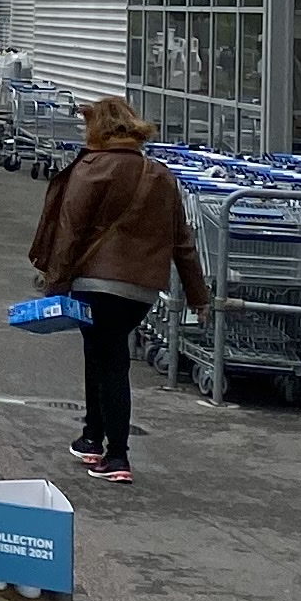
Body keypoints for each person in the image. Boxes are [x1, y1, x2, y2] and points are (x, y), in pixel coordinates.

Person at [27, 96, 206, 485]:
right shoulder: (159, 174)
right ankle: (92, 435)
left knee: (109, 361)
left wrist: (55, 284)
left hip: (96, 281)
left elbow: (70, 230)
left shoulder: (91, 168)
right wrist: (198, 296)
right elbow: (182, 241)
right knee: (102, 352)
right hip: (142, 288)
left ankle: (117, 454)